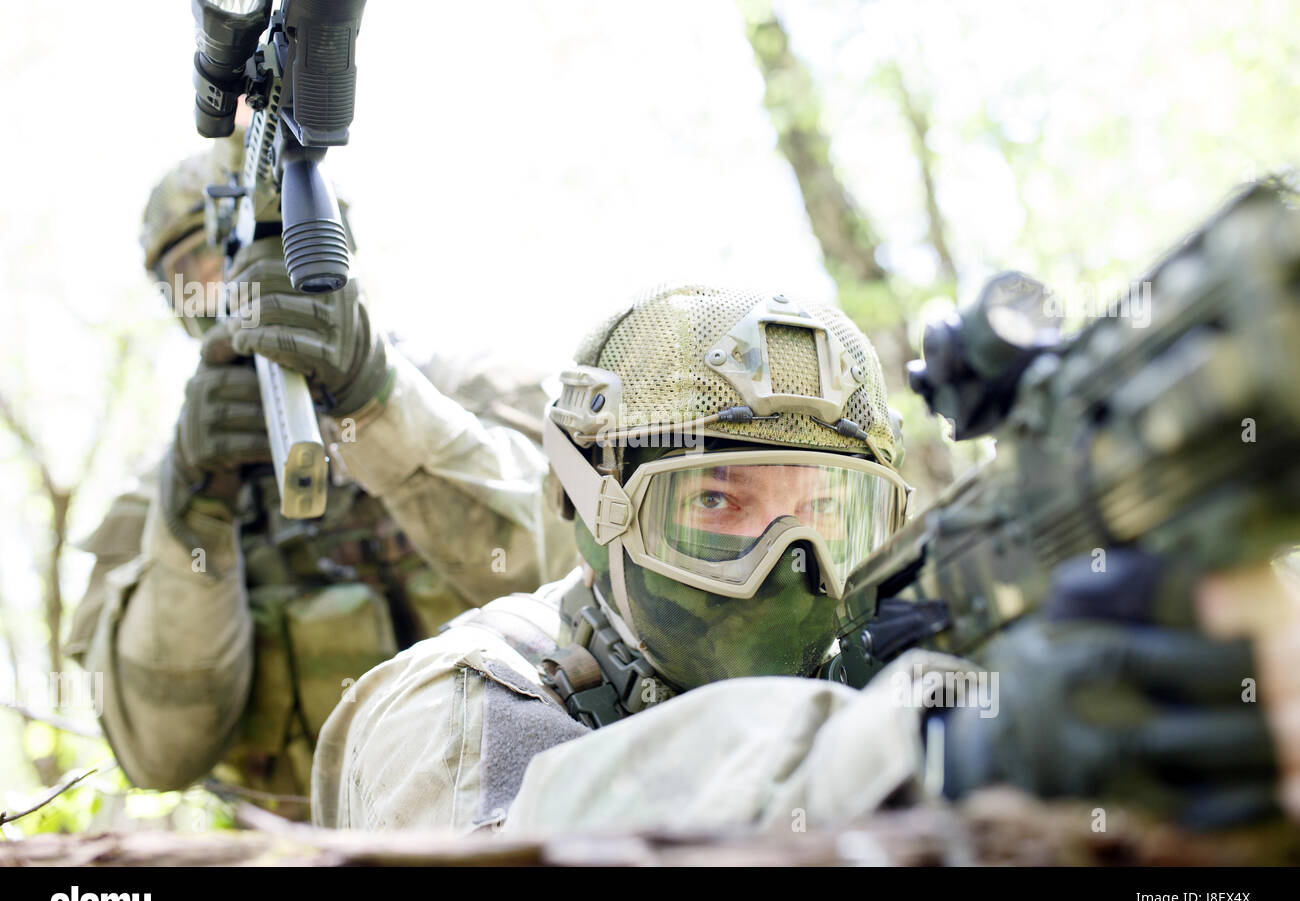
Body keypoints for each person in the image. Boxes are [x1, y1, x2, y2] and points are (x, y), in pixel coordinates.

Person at [227, 260, 1283, 836]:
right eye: (721, 500)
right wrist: (921, 750)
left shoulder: (877, 649)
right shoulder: (454, 696)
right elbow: (518, 834)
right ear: (599, 512)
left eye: (832, 513)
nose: (795, 563)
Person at [64, 139, 573, 813]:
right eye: (201, 261)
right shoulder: (150, 505)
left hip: (529, 825)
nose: (238, 278)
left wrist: (379, 403)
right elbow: (159, 753)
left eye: (264, 239)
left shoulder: (475, 394)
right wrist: (198, 512)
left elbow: (584, 592)